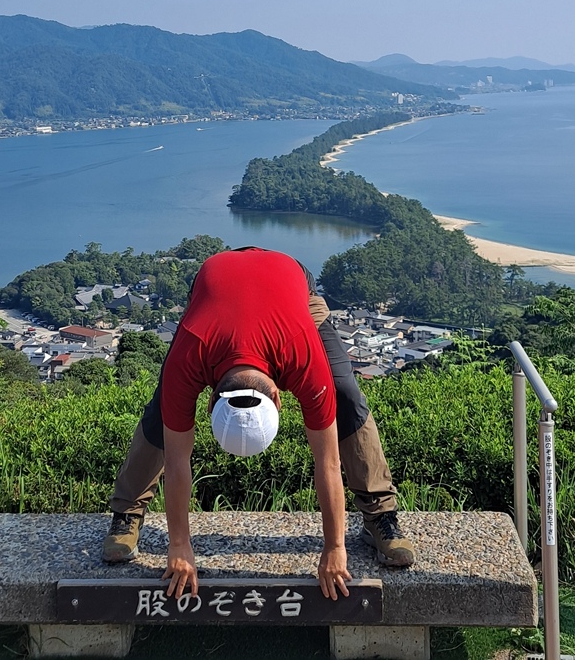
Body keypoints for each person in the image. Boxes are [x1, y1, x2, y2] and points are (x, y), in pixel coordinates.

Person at [103, 247, 415, 596]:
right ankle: (127, 513)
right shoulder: (192, 352)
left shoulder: (303, 355)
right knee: (166, 405)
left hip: (292, 283)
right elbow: (177, 461)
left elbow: (327, 462)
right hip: (215, 289)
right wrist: (178, 546)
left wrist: (335, 547)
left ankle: (380, 514)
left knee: (345, 394)